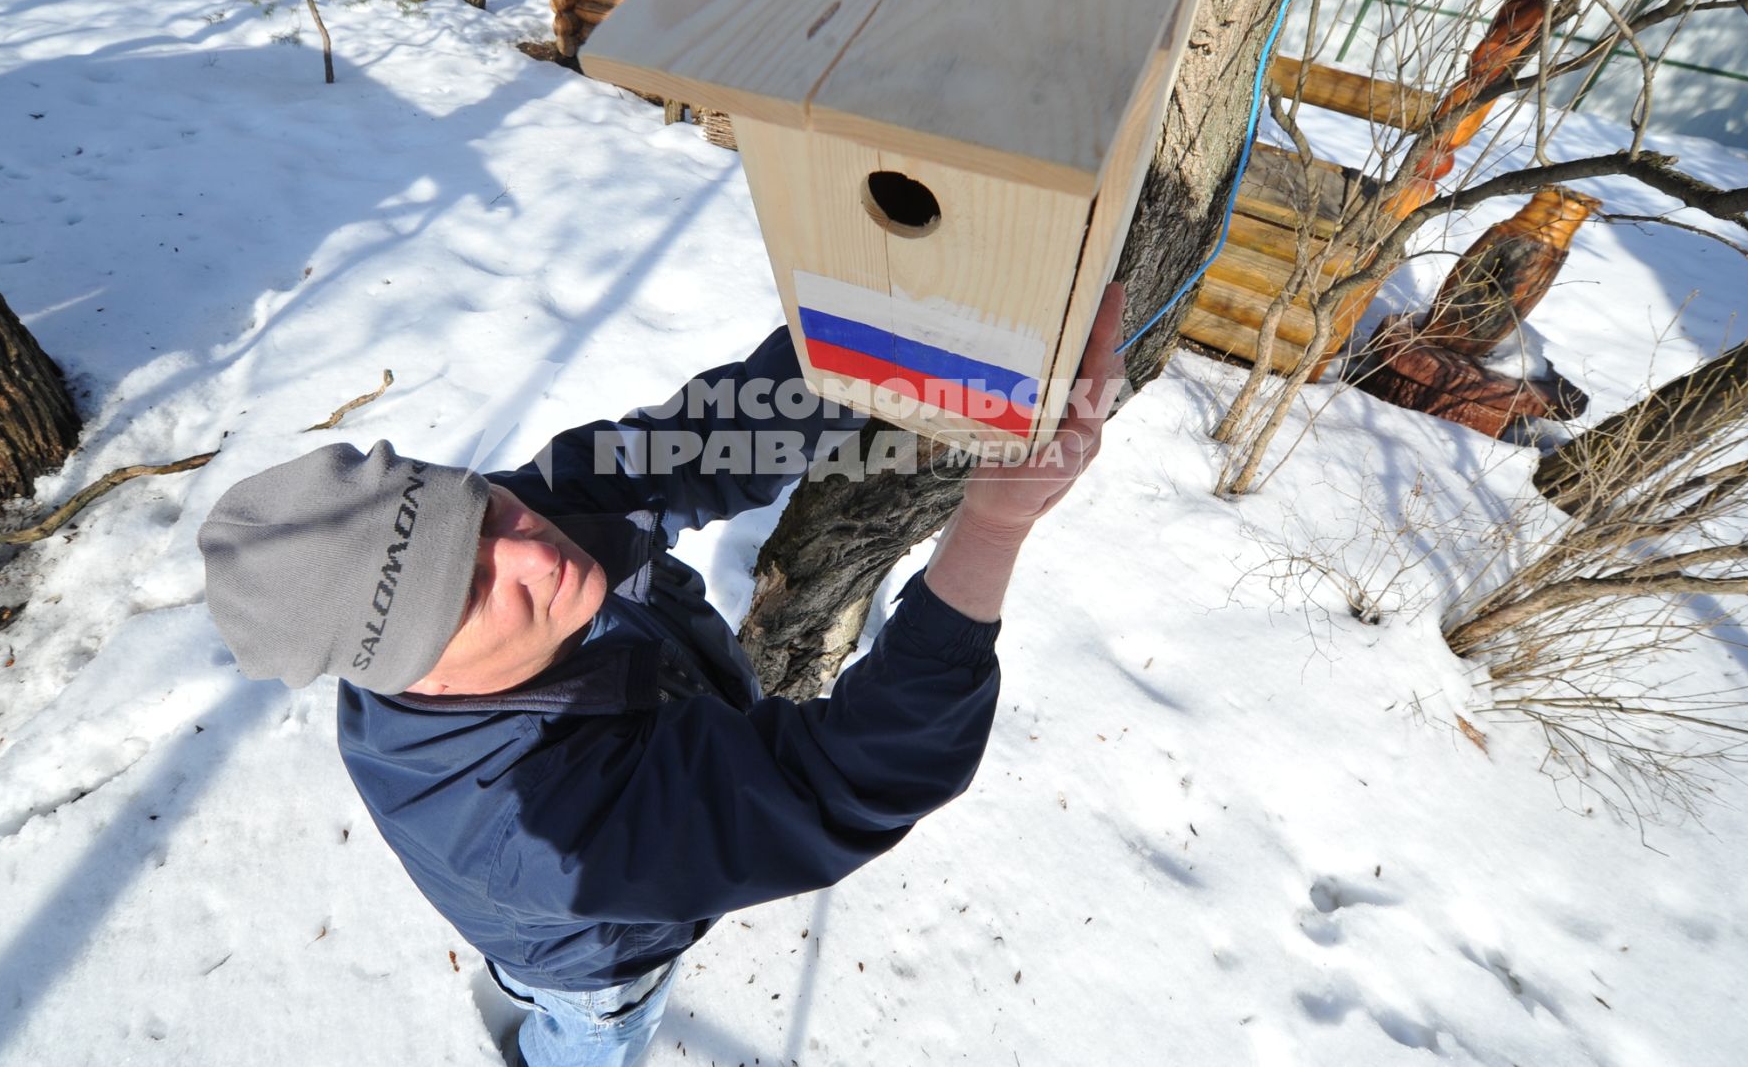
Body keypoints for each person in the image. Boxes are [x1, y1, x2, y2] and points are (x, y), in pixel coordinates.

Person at [197, 286, 1129, 1067]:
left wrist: (904, 336)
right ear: (421, 683)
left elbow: (712, 434)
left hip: (544, 893)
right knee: (589, 1028)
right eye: (473, 591)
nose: (530, 549)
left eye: (480, 510)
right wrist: (995, 529)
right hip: (595, 957)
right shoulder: (545, 830)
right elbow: (846, 779)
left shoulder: (537, 510)